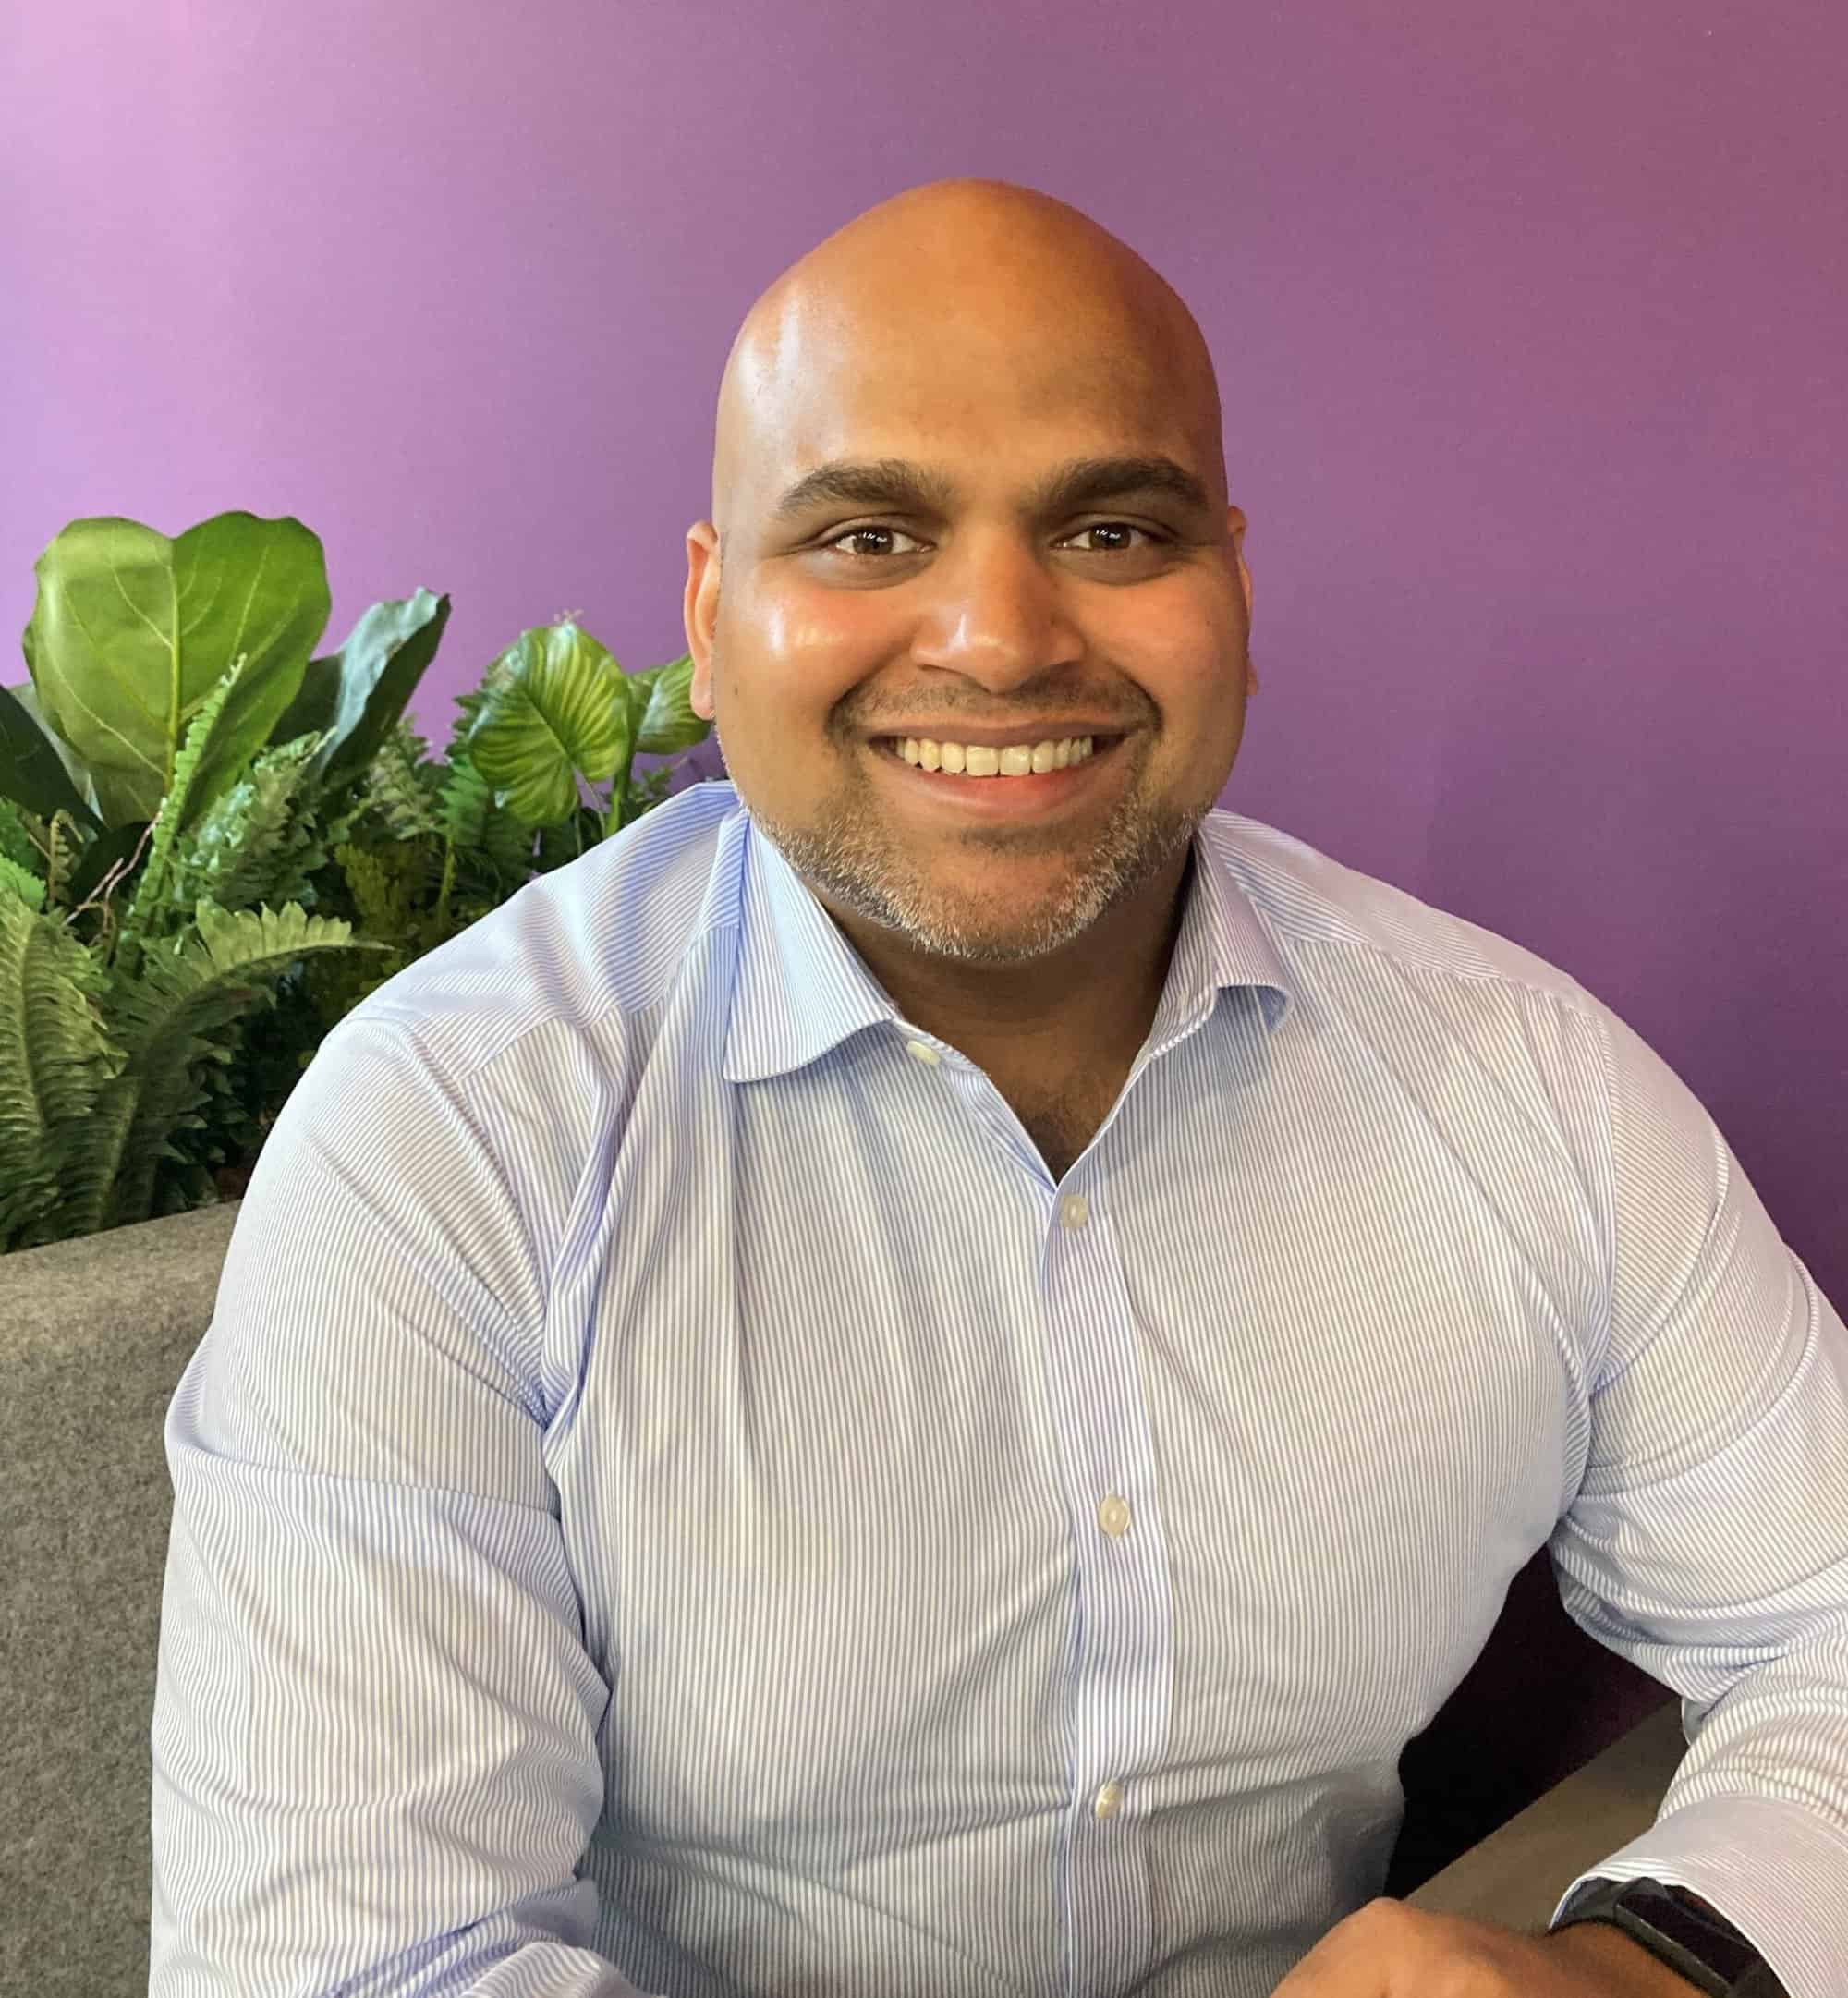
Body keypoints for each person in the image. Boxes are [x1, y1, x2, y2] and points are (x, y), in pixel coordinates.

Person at [148, 177, 1847, 1998]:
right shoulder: (453, 1134)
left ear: (1232, 590)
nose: (1001, 634)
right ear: (711, 617)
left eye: (1113, 529)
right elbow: (351, 1966)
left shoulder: (1521, 1085)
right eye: (868, 534)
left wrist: (1636, 1974)